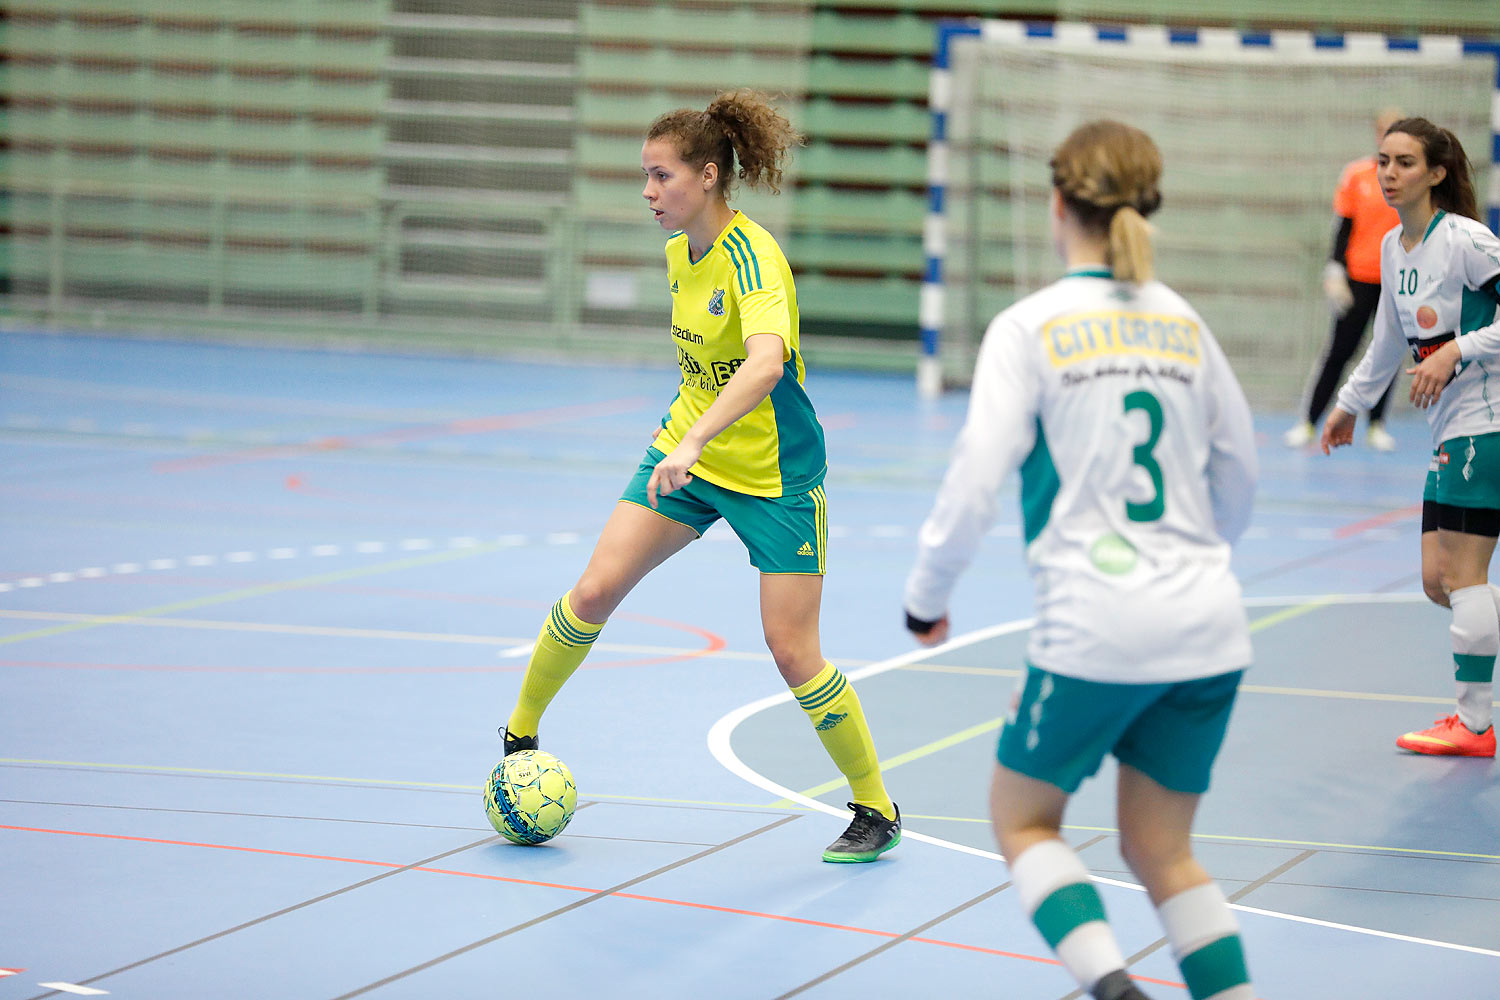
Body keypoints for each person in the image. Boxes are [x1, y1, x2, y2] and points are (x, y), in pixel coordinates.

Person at [903, 121, 1258, 1000]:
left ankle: (1111, 988)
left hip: (1098, 624)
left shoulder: (1030, 328)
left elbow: (977, 477)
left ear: (1059, 205)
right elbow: (1240, 469)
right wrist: (1194, 558)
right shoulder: (1184, 322)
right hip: (1210, 620)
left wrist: (925, 597)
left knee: (1023, 820)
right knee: (1163, 850)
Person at [499, 89, 901, 862]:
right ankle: (519, 737)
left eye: (661, 177)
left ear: (708, 176)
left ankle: (875, 807)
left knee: (793, 651)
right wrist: (682, 443)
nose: (648, 193)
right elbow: (702, 370)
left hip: (775, 474)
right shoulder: (677, 255)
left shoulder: (754, 258)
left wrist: (697, 442)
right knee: (593, 590)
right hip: (690, 453)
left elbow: (763, 364)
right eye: (644, 178)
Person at [1320, 117, 1500, 757]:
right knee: (1437, 581)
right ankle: (1478, 683)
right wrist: (1348, 405)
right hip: (1451, 429)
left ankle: (1475, 725)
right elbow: (1390, 343)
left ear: (1436, 172)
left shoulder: (1468, 241)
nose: (1388, 173)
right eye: (1383, 161)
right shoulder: (1397, 248)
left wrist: (1456, 349)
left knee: (1466, 574)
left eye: (1403, 162)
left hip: (1490, 421)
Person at [1285, 109, 1404, 451]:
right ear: (1376, 133)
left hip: (1394, 281)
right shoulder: (1357, 175)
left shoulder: (1410, 180)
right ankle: (1308, 421)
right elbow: (1344, 226)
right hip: (1358, 279)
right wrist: (1335, 269)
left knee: (1388, 353)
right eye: (1384, 130)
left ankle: (1377, 424)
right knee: (1339, 351)